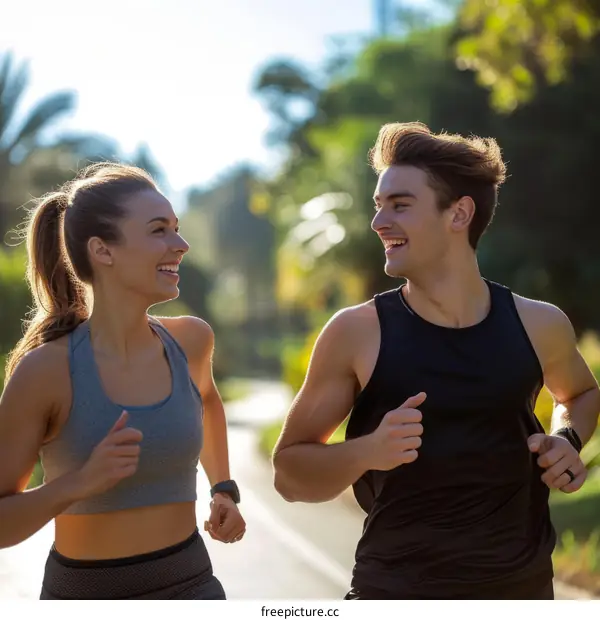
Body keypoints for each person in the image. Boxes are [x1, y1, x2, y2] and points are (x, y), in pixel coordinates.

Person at [271, 122, 600, 600]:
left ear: (459, 213)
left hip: (523, 592)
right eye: (378, 206)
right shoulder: (356, 332)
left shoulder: (539, 323)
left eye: (400, 205)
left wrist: (566, 438)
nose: (378, 222)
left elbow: (582, 393)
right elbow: (288, 476)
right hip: (395, 593)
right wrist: (366, 451)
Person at [0, 162, 246, 600]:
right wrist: (78, 483)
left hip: (193, 584)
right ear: (103, 250)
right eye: (159, 230)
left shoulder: (192, 341)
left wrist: (223, 488)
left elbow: (206, 400)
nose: (182, 244)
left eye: (177, 228)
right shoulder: (45, 371)